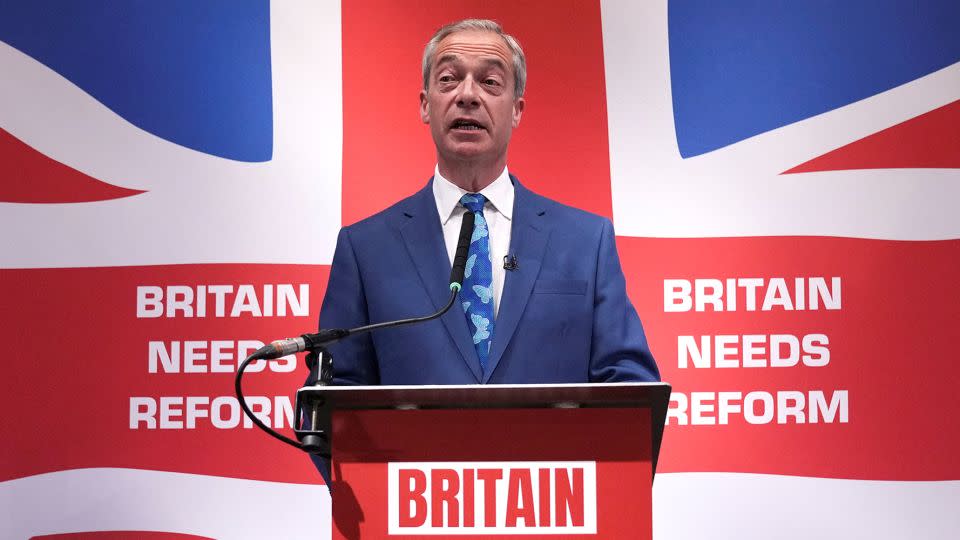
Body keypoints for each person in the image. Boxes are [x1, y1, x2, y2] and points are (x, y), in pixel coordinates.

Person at [319, 19, 659, 386]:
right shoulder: (366, 249)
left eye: (490, 82)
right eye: (448, 79)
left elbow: (629, 387)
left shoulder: (586, 243)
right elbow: (334, 402)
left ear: (516, 110)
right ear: (425, 105)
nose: (467, 95)